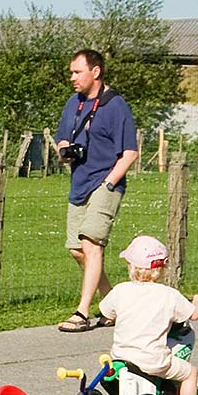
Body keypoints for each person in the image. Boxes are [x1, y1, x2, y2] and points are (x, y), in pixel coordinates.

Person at [55, 47, 140, 332]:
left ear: (96, 71)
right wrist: (64, 150)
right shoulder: (73, 103)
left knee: (92, 244)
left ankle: (82, 312)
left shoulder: (115, 105)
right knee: (77, 250)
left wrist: (109, 183)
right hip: (79, 183)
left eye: (77, 72)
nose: (72, 77)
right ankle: (113, 304)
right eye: (71, 72)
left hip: (106, 183)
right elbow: (62, 139)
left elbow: (130, 152)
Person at [97, 235, 198, 395]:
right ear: (160, 270)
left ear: (131, 266)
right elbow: (194, 314)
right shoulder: (168, 295)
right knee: (190, 373)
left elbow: (105, 312)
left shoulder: (120, 291)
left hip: (121, 356)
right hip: (152, 360)